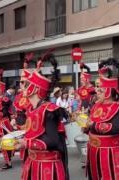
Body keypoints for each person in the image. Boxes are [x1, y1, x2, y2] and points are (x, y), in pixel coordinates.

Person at [15, 50, 69, 180]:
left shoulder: (49, 110)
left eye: (26, 84)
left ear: (35, 89)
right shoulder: (31, 109)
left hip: (48, 167)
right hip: (32, 163)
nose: (23, 86)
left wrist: (26, 143)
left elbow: (53, 141)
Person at [86, 58, 119, 180]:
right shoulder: (96, 105)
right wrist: (86, 127)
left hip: (112, 153)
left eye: (101, 88)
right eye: (97, 87)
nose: (97, 90)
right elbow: (91, 125)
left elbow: (116, 128)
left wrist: (92, 125)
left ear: (109, 90)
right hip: (94, 151)